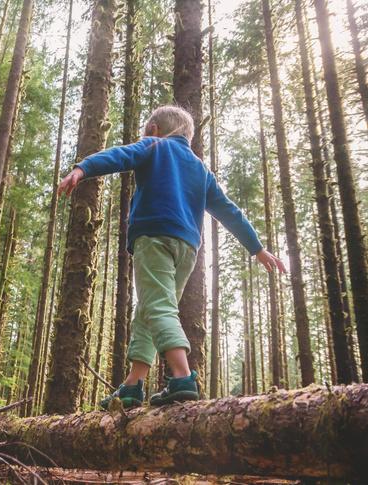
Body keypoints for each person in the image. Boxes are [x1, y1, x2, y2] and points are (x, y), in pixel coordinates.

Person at [57, 105, 286, 408]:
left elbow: (118, 155)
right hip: (187, 249)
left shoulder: (153, 146)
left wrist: (82, 168)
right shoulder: (201, 168)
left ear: (153, 129)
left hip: (154, 237)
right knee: (150, 308)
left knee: (159, 307)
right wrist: (256, 247)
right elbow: (228, 210)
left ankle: (182, 377)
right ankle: (133, 384)